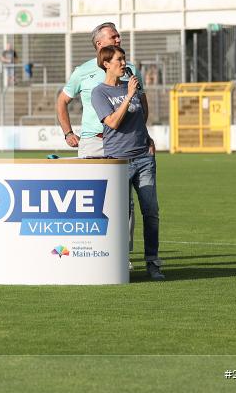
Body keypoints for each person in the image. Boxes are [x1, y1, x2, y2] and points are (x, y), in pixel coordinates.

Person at [57, 22, 150, 266]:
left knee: (124, 202)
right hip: (93, 143)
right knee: (90, 199)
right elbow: (62, 101)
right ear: (99, 44)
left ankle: (121, 256)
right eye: (113, 36)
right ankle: (86, 252)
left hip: (122, 144)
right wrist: (68, 133)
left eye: (118, 35)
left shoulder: (130, 69)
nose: (118, 39)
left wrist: (139, 134)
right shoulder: (82, 71)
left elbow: (142, 104)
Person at [91, 45, 164, 280]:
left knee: (151, 211)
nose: (124, 63)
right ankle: (120, 262)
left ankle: (153, 263)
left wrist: (148, 137)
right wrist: (129, 96)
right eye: (119, 60)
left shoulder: (131, 84)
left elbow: (140, 115)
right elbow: (112, 122)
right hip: (118, 162)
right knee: (122, 215)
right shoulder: (99, 93)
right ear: (106, 64)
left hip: (143, 158)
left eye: (124, 59)